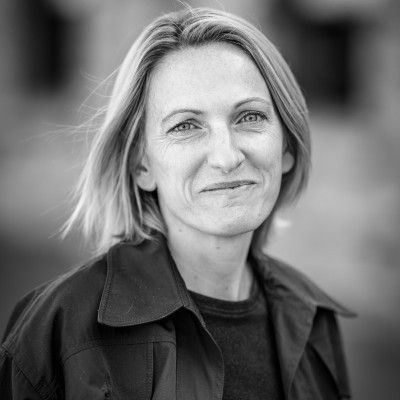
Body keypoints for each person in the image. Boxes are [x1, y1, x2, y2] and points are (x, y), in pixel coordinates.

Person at [0, 7, 354, 399]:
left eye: (250, 117)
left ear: (286, 146)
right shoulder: (57, 331)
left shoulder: (312, 317)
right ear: (141, 165)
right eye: (186, 125)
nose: (227, 157)